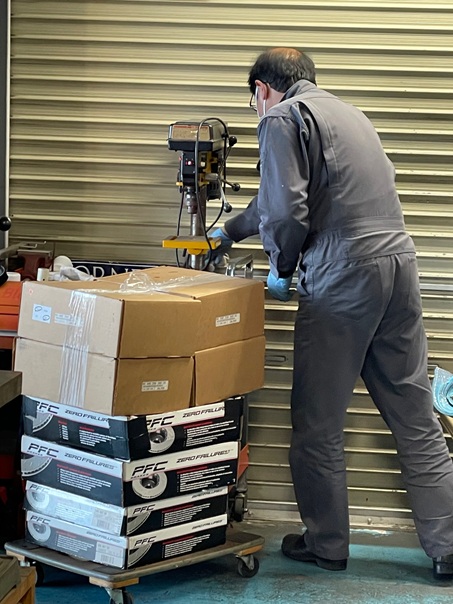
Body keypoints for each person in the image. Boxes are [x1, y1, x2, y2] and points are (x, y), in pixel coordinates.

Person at [210, 47, 453, 578]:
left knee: (317, 420)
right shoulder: (349, 115)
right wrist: (228, 231)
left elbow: (285, 211)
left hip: (344, 273)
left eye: (253, 100)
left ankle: (327, 544)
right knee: (415, 416)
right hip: (398, 267)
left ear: (262, 90)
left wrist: (281, 265)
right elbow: (276, 200)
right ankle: (449, 545)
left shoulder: (280, 117)